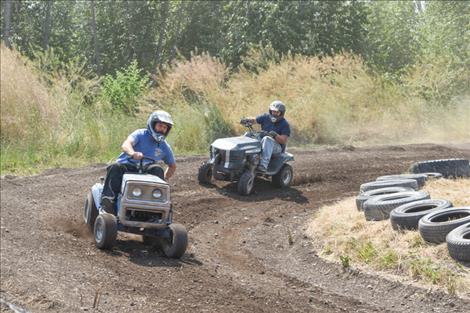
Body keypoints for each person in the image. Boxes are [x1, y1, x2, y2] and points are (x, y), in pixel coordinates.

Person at [101, 110, 176, 214]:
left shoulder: (164, 146)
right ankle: (108, 201)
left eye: (165, 128)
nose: (162, 130)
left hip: (146, 171)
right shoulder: (140, 134)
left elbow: (172, 166)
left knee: (157, 169)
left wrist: (165, 178)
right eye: (160, 126)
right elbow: (126, 144)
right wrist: (133, 153)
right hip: (128, 165)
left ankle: (155, 205)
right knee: (115, 167)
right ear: (152, 124)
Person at [242, 100, 291, 172]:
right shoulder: (266, 117)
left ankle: (263, 165)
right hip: (263, 141)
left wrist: (275, 135)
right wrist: (246, 120)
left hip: (277, 148)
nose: (274, 113)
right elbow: (254, 120)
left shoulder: (285, 124)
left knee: (267, 139)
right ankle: (243, 159)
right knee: (249, 134)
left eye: (277, 112)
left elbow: (283, 140)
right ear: (270, 111)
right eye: (273, 111)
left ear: (281, 113)